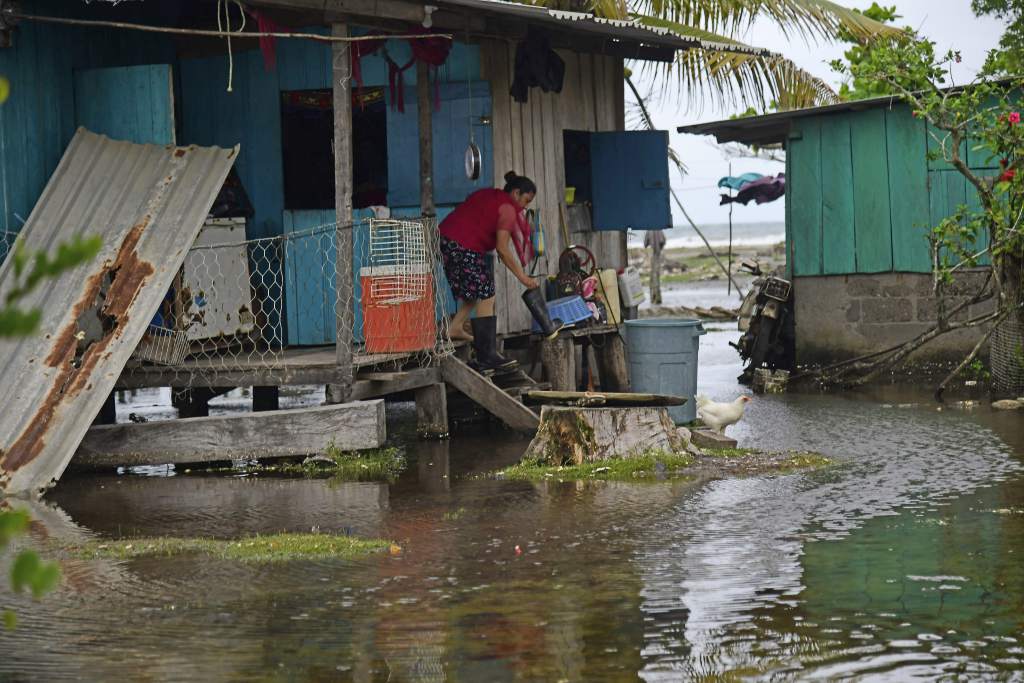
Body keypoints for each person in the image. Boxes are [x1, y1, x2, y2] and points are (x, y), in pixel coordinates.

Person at [439, 171, 563, 372]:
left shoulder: (491, 195)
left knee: (476, 288)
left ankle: (455, 327)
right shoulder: (507, 209)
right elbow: (503, 250)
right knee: (486, 291)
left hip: (446, 238)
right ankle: (486, 355)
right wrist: (524, 278)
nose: (525, 207)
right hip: (460, 243)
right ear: (515, 193)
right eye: (525, 200)